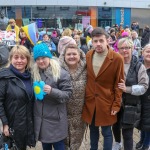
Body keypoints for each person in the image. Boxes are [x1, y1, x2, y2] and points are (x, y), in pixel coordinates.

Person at [82, 27, 124, 150]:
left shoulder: (117, 58)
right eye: (95, 41)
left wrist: (116, 105)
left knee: (106, 132)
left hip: (107, 102)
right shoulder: (89, 55)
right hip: (91, 102)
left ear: (107, 40)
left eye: (101, 40)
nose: (98, 44)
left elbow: (119, 84)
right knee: (93, 131)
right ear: (92, 42)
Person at [32, 43, 72, 150]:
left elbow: (68, 94)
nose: (41, 61)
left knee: (59, 146)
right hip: (41, 121)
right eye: (38, 59)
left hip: (56, 121)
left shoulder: (60, 73)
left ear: (49, 57)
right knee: (46, 146)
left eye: (43, 57)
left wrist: (52, 91)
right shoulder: (34, 73)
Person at [112, 37, 149, 150]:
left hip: (130, 106)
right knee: (115, 127)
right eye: (122, 48)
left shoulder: (139, 66)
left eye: (127, 47)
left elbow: (144, 87)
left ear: (132, 48)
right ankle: (117, 143)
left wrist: (127, 89)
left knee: (127, 134)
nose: (124, 50)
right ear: (118, 49)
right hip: (115, 104)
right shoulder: (114, 64)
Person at [0, 45, 35, 149]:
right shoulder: (5, 77)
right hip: (13, 124)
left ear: (27, 60)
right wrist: (5, 123)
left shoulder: (31, 76)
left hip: (27, 123)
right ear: (11, 59)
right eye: (16, 57)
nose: (19, 61)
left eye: (23, 58)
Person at [59, 44, 86, 150]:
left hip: (80, 115)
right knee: (63, 142)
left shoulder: (86, 68)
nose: (71, 56)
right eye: (68, 54)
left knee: (76, 142)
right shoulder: (58, 69)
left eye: (74, 54)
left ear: (79, 55)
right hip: (62, 113)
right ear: (64, 56)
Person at [136, 44, 150, 150]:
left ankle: (146, 144)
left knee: (148, 124)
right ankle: (141, 140)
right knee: (142, 121)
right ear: (142, 53)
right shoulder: (139, 66)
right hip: (140, 99)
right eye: (147, 51)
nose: (149, 54)